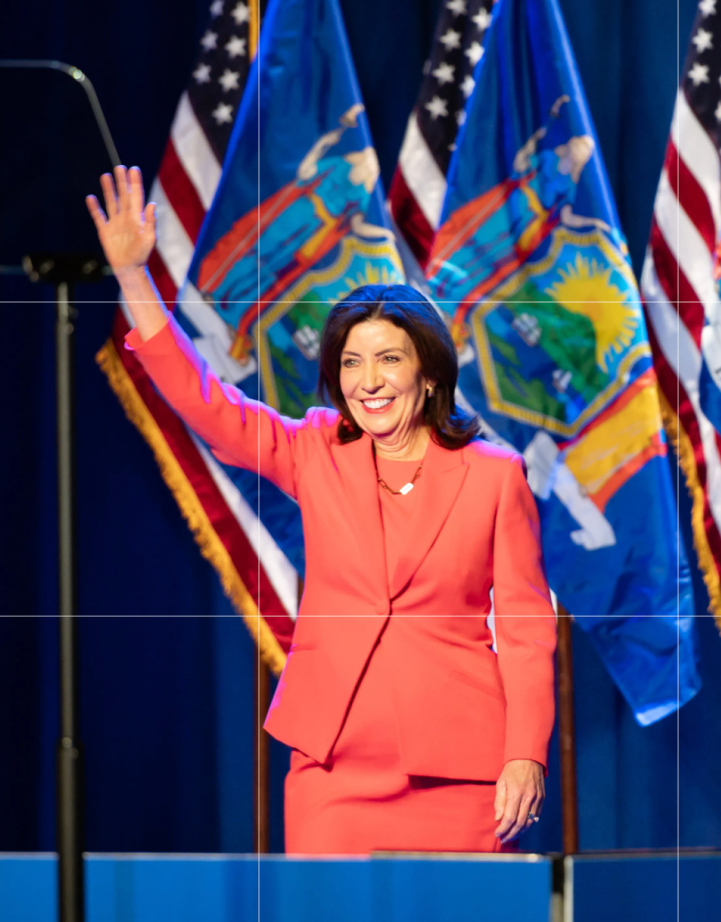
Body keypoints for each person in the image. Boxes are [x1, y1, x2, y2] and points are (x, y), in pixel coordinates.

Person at [87, 165, 557, 853]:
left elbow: (525, 632)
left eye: (388, 360)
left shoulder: (494, 478)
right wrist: (134, 276)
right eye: (350, 364)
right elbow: (207, 404)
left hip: (461, 774)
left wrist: (526, 751)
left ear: (427, 374)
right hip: (333, 767)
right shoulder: (316, 449)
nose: (367, 382)